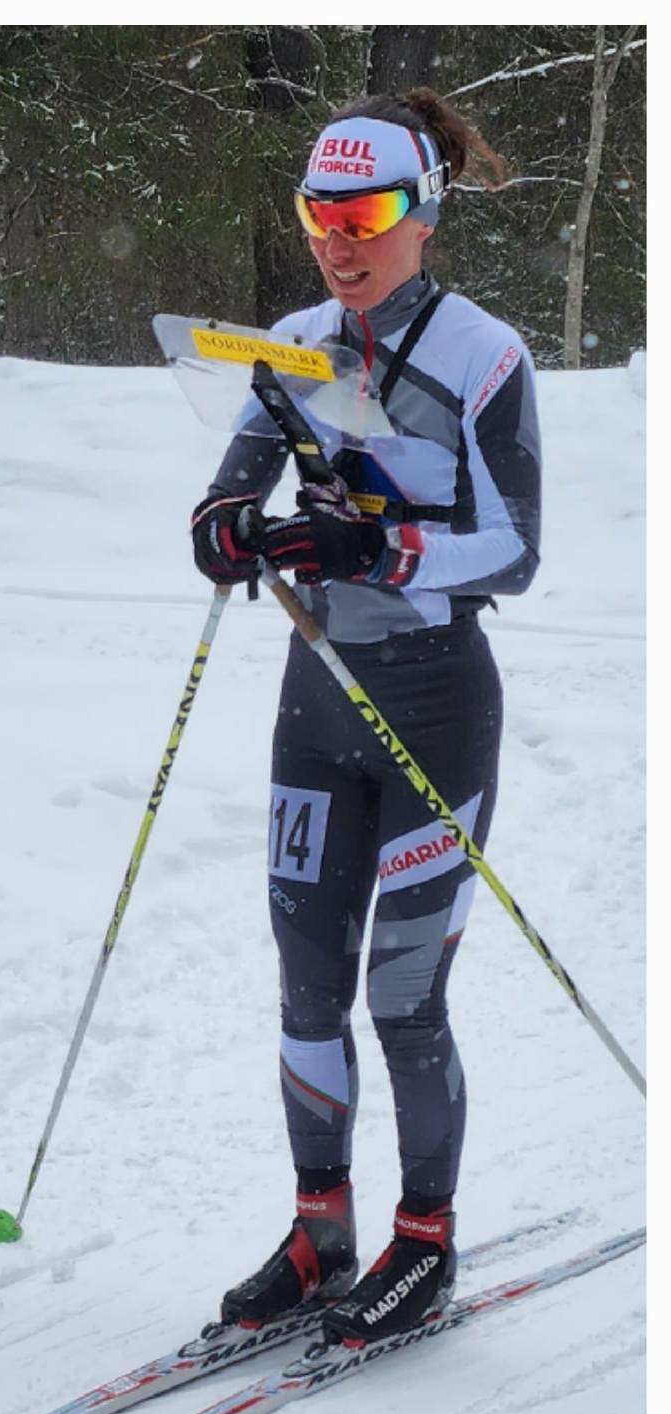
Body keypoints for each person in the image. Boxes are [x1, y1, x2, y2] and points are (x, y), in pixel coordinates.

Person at [189, 88, 539, 1345]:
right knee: (303, 984)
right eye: (318, 212)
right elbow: (226, 491)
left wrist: (385, 550)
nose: (340, 239)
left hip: (436, 706)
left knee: (402, 995)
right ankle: (319, 1224)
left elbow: (511, 552)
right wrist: (226, 530)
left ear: (423, 214)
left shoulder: (484, 354)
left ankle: (424, 1238)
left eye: (367, 213)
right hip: (317, 704)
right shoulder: (291, 341)